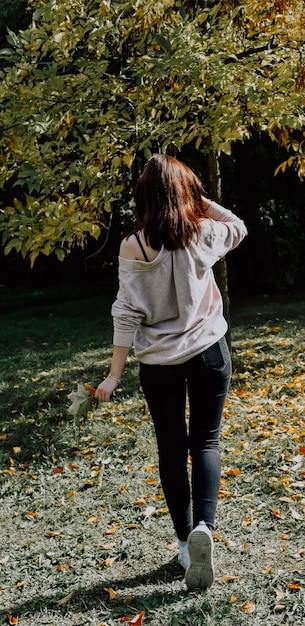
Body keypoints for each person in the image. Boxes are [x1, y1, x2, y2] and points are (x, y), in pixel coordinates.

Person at [95, 153, 247, 590]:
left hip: (159, 364)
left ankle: (184, 544)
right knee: (206, 441)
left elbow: (126, 312)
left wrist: (112, 374)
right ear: (184, 192)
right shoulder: (203, 231)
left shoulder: (133, 245)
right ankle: (205, 527)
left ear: (143, 195)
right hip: (208, 352)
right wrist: (201, 200)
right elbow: (238, 225)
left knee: (170, 447)